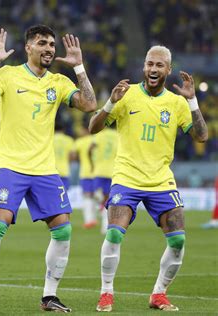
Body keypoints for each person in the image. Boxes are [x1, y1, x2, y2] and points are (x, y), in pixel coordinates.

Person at [0, 26, 97, 314]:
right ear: (28, 47)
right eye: (42, 43)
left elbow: (89, 104)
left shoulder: (58, 82)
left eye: (52, 44)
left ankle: (49, 296)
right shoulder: (8, 74)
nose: (49, 48)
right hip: (10, 166)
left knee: (63, 229)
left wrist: (79, 67)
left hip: (44, 169)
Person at [89, 45, 208, 312]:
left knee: (178, 240)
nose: (153, 69)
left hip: (160, 180)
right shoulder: (127, 94)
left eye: (159, 65)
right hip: (126, 177)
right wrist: (111, 102)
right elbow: (93, 128)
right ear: (144, 66)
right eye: (149, 64)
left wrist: (192, 101)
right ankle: (106, 292)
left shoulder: (177, 103)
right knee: (115, 233)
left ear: (168, 69)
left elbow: (201, 136)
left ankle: (159, 294)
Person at [89, 126, 118, 234]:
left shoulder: (99, 135)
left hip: (99, 170)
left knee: (98, 196)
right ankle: (105, 221)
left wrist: (92, 163)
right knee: (109, 199)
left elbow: (90, 149)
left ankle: (99, 203)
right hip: (113, 170)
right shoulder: (118, 135)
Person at [74, 125, 96, 228]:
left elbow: (73, 156)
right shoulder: (97, 138)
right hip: (100, 173)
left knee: (88, 196)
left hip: (86, 173)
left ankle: (89, 220)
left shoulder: (80, 141)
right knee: (102, 197)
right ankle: (102, 219)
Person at [53, 124, 75, 191]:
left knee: (52, 193)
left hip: (51, 171)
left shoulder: (49, 138)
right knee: (64, 193)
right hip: (64, 170)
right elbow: (72, 156)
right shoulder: (69, 139)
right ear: (63, 130)